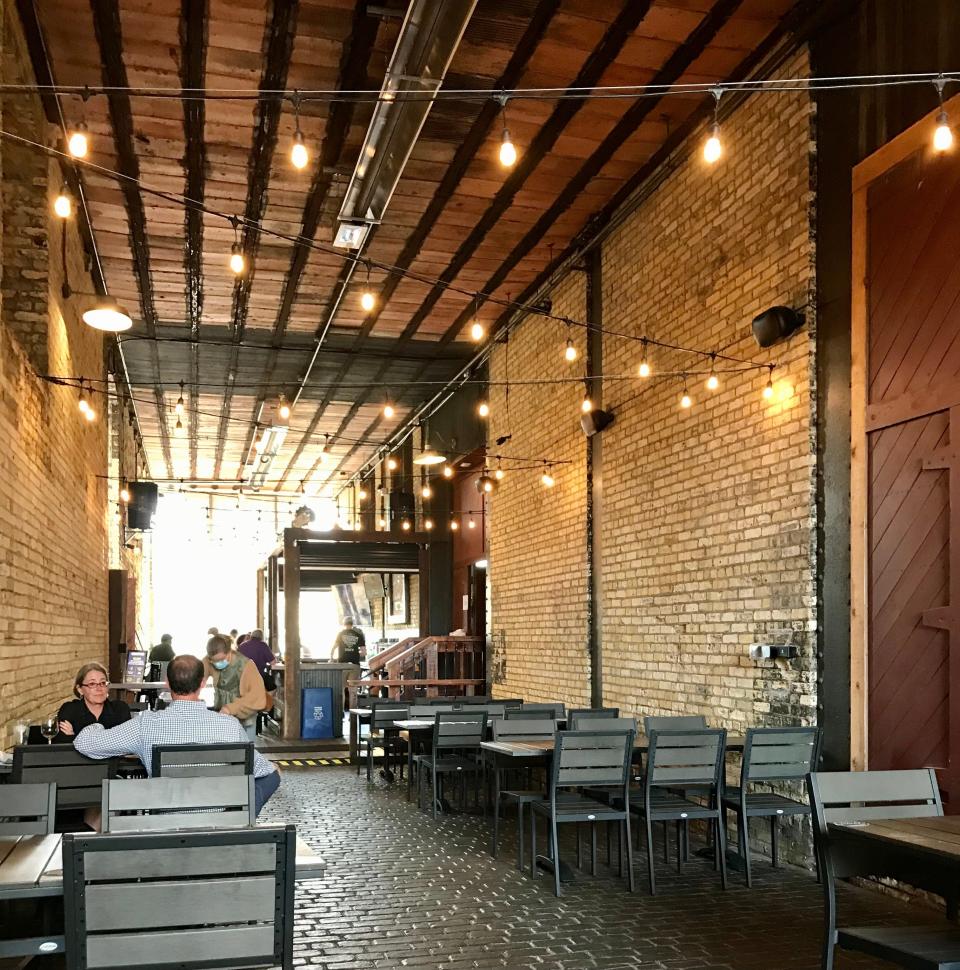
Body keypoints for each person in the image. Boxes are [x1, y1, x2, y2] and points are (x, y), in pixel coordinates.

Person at [74, 655, 280, 816]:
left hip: (166, 822)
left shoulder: (146, 725)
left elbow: (85, 744)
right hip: (218, 822)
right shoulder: (229, 727)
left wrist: (95, 727)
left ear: (167, 683)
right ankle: (240, 823)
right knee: (273, 774)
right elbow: (266, 773)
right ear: (202, 684)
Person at [203, 633, 265, 742]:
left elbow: (258, 696)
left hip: (245, 713)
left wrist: (230, 708)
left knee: (246, 750)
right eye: (214, 661)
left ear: (229, 652)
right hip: (222, 712)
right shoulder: (208, 661)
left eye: (221, 659)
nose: (217, 663)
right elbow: (199, 677)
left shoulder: (246, 665)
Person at [56, 662, 131, 743]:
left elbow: (127, 743)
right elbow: (63, 745)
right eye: (92, 684)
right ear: (80, 689)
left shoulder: (120, 709)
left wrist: (75, 738)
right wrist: (110, 741)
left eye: (102, 683)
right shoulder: (69, 709)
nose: (99, 688)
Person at [331, 618, 365, 711]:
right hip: (354, 665)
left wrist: (331, 658)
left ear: (344, 624)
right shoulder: (359, 635)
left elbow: (334, 648)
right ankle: (352, 714)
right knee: (353, 691)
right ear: (352, 624)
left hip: (342, 665)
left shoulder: (340, 634)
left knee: (341, 690)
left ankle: (341, 713)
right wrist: (355, 653)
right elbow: (363, 652)